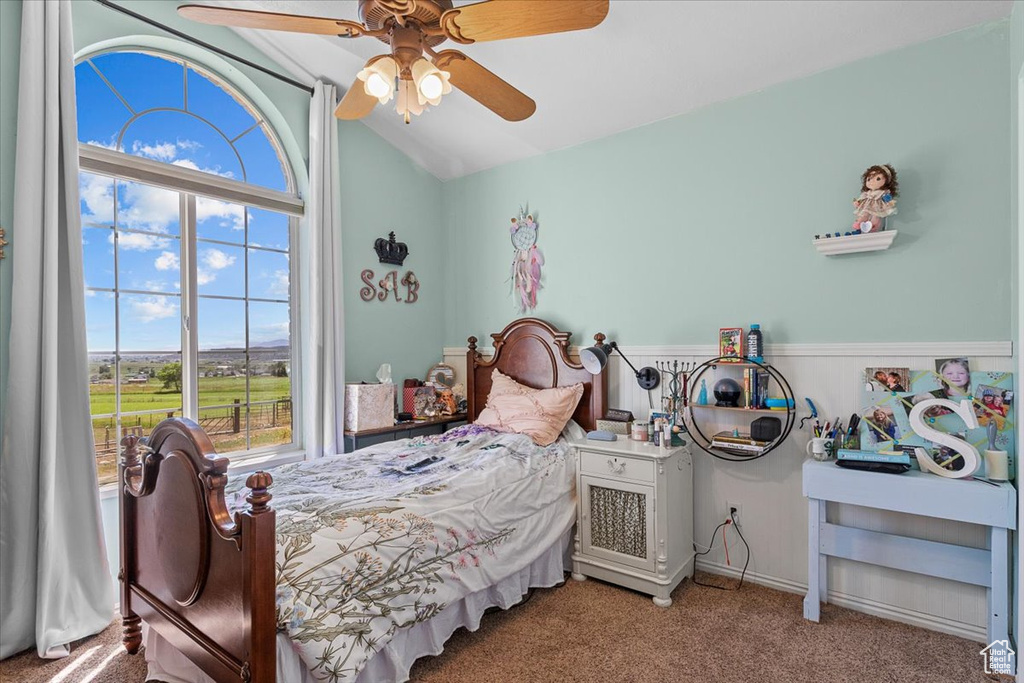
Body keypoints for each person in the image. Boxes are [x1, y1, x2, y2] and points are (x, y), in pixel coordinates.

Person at [852, 164, 899, 232]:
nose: (871, 181)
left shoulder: (882, 192)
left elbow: (886, 198)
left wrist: (890, 202)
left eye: (878, 179)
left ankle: (873, 225)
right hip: (866, 206)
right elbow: (862, 198)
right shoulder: (867, 193)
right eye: (869, 179)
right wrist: (858, 202)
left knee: (876, 215)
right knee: (864, 213)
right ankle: (859, 223)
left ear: (887, 181)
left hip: (877, 206)